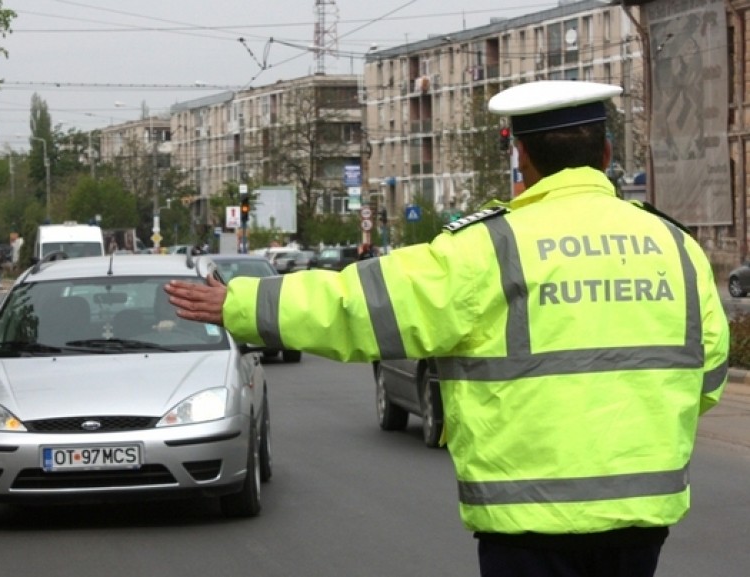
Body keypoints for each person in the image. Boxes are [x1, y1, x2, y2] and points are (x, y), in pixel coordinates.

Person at [165, 81, 729, 577]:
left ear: (522, 159)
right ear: (606, 153)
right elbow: (707, 375)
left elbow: (359, 305)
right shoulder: (675, 246)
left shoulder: (490, 246)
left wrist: (240, 302)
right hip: (642, 518)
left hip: (526, 518)